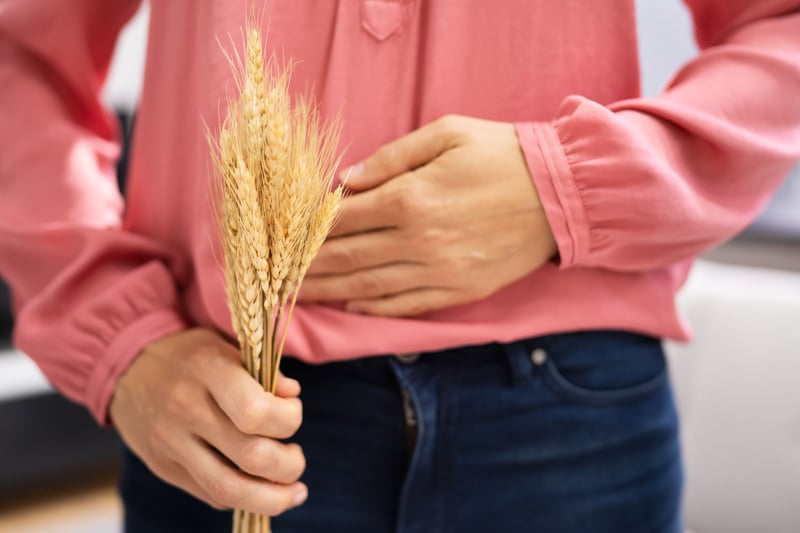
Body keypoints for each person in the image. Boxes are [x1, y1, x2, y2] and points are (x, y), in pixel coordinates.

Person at [1, 1, 799, 532]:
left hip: (570, 423)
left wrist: (569, 184)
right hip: (225, 416)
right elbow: (18, 55)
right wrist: (119, 335)